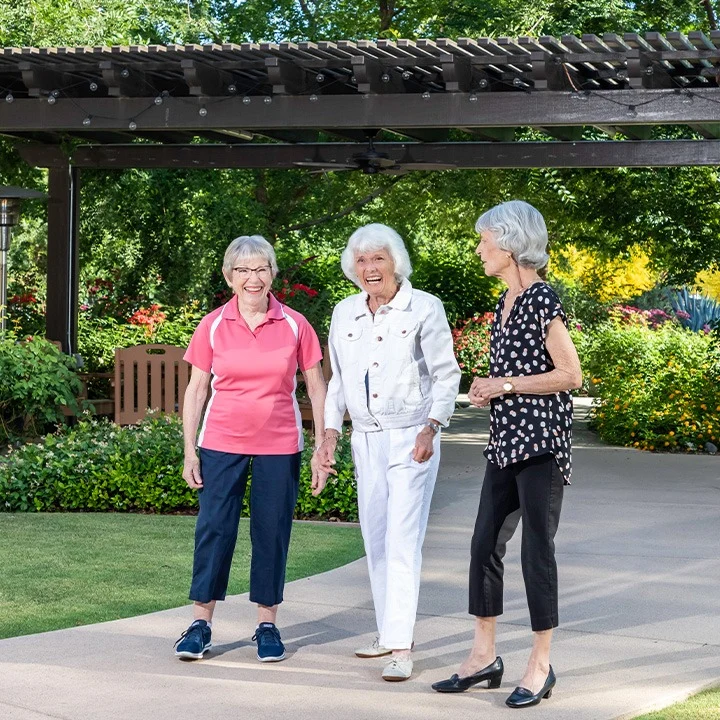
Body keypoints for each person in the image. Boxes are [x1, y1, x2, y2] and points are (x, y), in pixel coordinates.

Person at [431, 200, 582, 707]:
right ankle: (483, 657)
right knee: (483, 547)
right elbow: (506, 381)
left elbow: (570, 375)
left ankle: (540, 665)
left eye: (485, 240)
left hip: (541, 445)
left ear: (511, 243)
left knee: (535, 550)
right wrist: (488, 388)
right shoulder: (503, 303)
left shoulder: (543, 300)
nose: (479, 249)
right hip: (503, 443)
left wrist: (507, 384)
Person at [174, 234, 328, 664]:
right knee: (214, 529)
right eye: (242, 270)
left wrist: (321, 446)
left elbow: (317, 387)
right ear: (229, 277)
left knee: (271, 530)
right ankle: (200, 624)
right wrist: (190, 450)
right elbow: (196, 389)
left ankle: (267, 625)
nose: (252, 278)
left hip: (280, 444)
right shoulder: (213, 324)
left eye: (260, 268)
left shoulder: (296, 324)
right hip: (221, 443)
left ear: (273, 274)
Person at [318, 223, 461, 682]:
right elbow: (337, 380)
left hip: (411, 437)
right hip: (365, 438)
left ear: (395, 261)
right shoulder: (344, 312)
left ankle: (402, 645)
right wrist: (329, 435)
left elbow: (446, 374)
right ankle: (387, 631)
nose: (369, 268)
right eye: (361, 261)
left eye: (378, 259)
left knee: (402, 540)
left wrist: (432, 427)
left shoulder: (424, 308)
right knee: (376, 537)